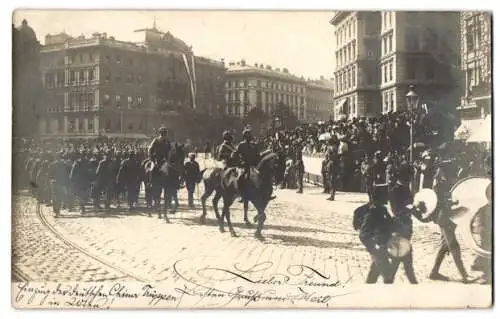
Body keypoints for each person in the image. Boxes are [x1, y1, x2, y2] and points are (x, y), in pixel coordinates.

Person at [428, 156, 478, 284]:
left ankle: (434, 272)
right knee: (454, 246)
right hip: (445, 219)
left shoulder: (446, 183)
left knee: (444, 246)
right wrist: (451, 203)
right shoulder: (439, 185)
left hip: (448, 219)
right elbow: (439, 203)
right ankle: (465, 276)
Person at [353, 184, 394, 283]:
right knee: (388, 275)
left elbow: (390, 224)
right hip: (378, 249)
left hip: (383, 247)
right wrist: (374, 248)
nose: (388, 197)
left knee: (374, 274)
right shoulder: (372, 213)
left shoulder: (382, 209)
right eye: (386, 195)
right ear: (380, 197)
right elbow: (363, 235)